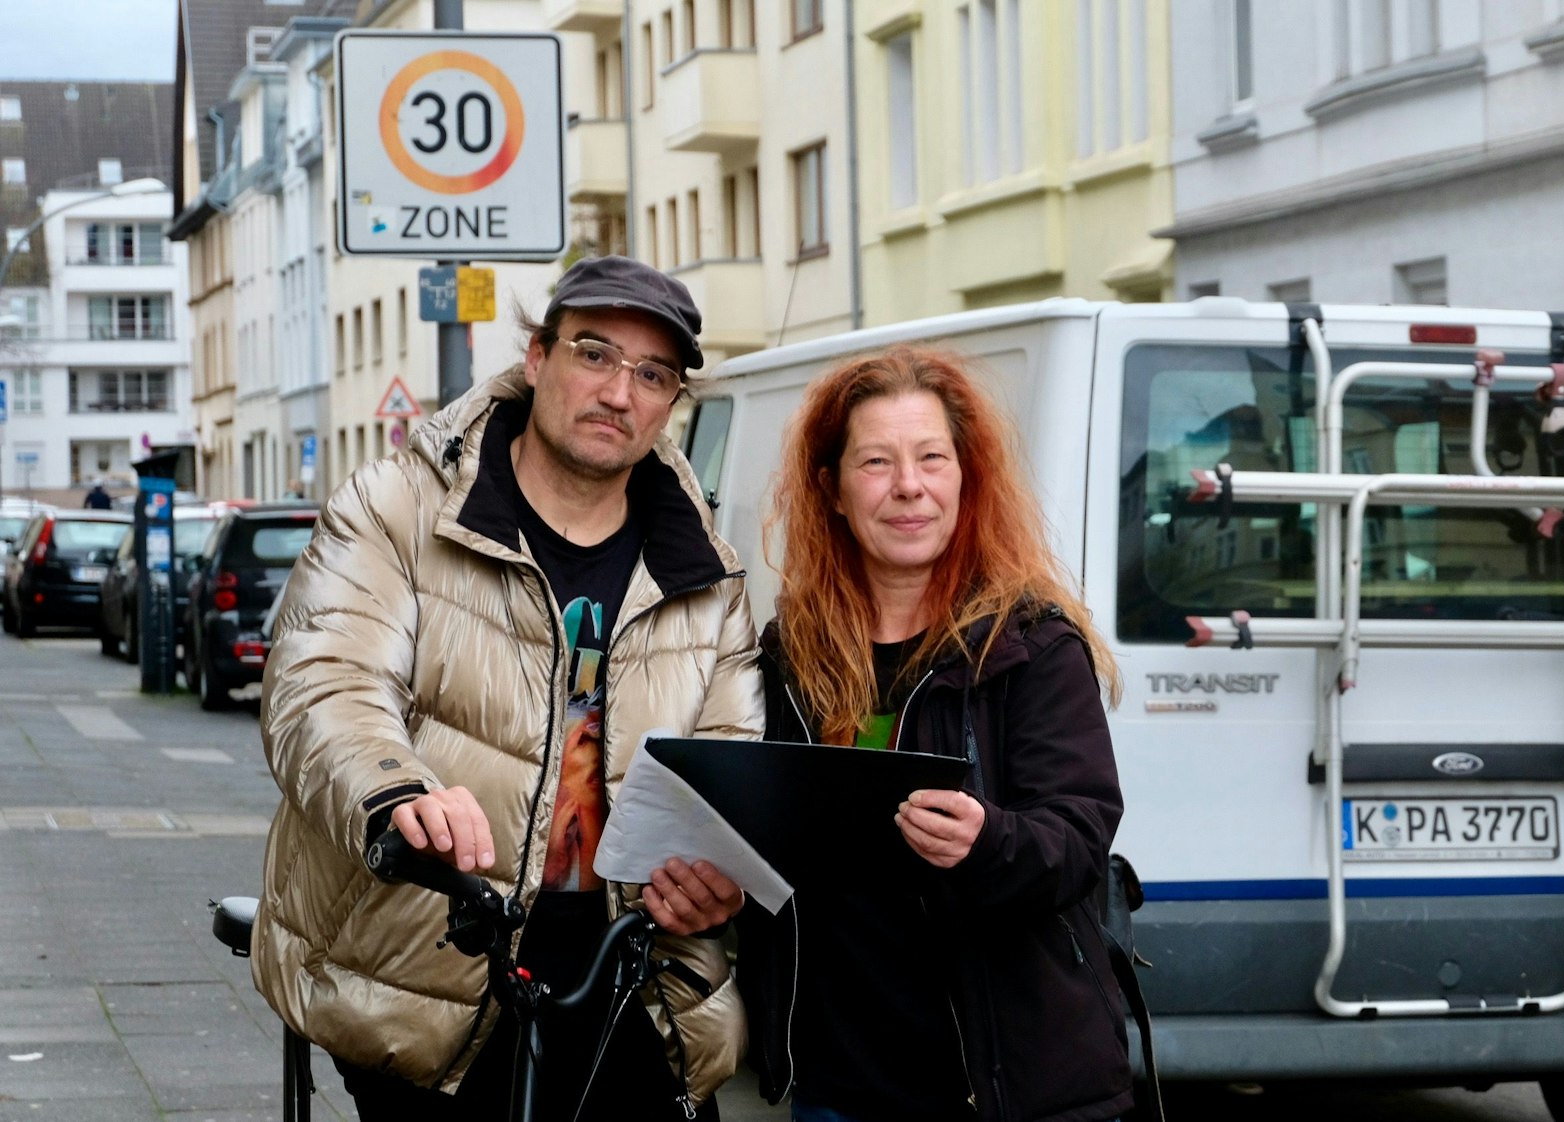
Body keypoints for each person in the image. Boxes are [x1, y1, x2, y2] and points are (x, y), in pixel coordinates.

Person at [251, 256, 760, 1120]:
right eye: (594, 354)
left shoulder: (704, 570)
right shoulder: (398, 508)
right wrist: (396, 791)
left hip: (634, 980)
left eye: (652, 375)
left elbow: (728, 763)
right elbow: (323, 679)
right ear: (537, 356)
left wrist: (719, 876)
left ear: (671, 401)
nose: (619, 391)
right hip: (430, 965)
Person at [739, 346, 1134, 1122]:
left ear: (965, 477)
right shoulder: (791, 655)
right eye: (876, 463)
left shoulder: (1031, 645)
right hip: (841, 1086)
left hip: (1010, 1086)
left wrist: (989, 842)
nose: (908, 486)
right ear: (833, 490)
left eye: (930, 458)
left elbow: (1079, 836)